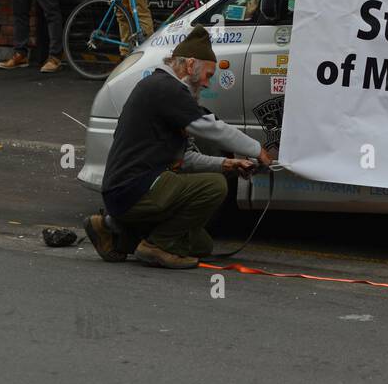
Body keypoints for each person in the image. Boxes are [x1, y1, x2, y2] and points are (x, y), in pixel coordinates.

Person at [83, 25, 274, 269]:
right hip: (133, 189)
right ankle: (157, 246)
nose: (207, 83)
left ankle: (114, 231)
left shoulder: (164, 90)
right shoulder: (166, 88)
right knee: (215, 186)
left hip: (132, 191)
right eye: (208, 74)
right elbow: (211, 127)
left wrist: (227, 164)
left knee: (201, 245)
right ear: (191, 65)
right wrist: (256, 149)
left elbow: (186, 159)